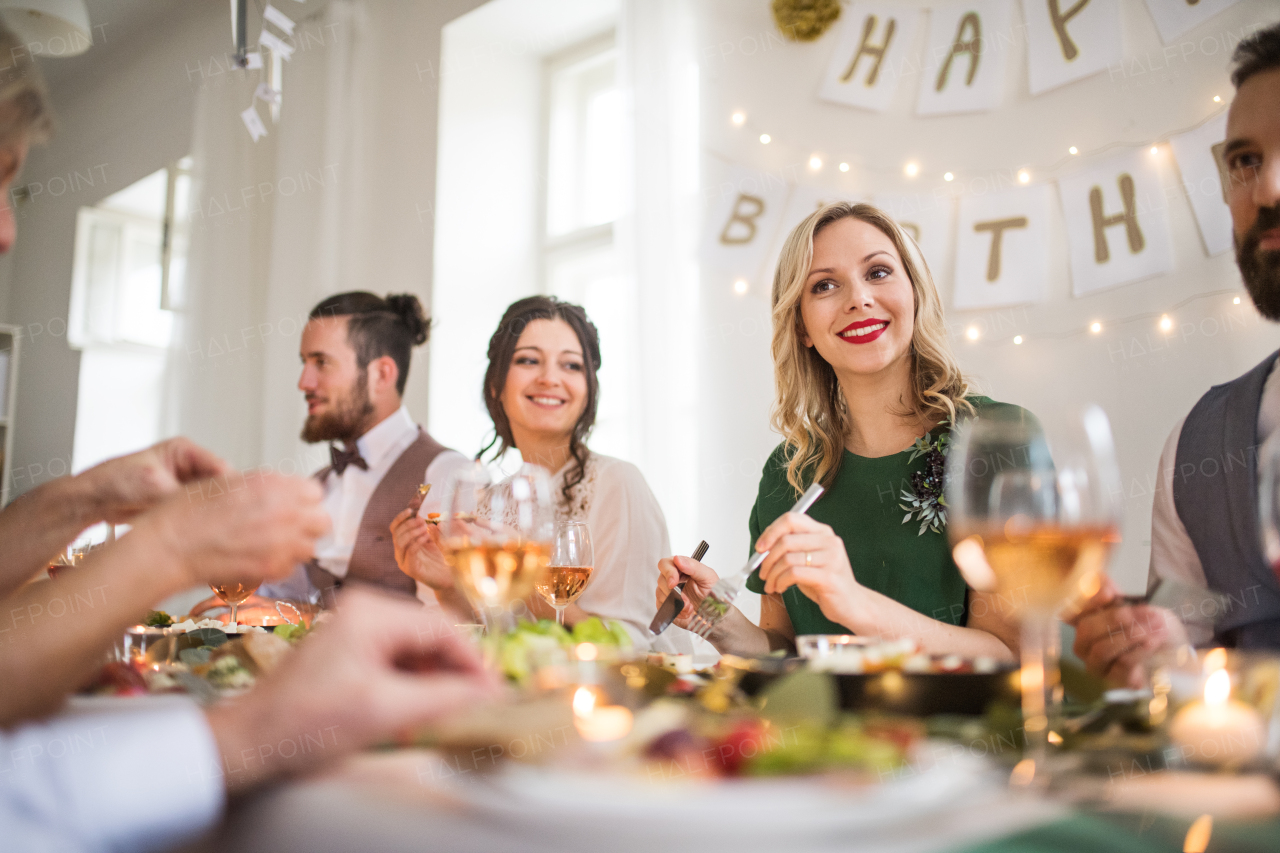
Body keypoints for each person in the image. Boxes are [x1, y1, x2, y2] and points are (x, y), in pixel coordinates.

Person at [657, 203, 1021, 659]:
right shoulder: (786, 475)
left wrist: (853, 603)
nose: (858, 299)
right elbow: (786, 653)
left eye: (879, 272)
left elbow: (1012, 655)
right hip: (825, 732)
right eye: (825, 285)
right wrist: (713, 620)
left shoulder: (999, 438)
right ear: (802, 326)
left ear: (915, 292)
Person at [1071, 24, 1280, 685]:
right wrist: (1150, 651)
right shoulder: (1196, 443)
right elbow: (1184, 646)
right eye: (1246, 159)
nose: (1268, 190)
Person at [392, 296, 696, 652]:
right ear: (496, 385)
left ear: (587, 392)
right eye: (529, 360)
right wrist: (449, 587)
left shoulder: (617, 484)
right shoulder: (490, 501)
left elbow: (633, 646)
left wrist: (527, 585)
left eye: (571, 366)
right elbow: (497, 646)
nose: (550, 378)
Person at [259, 291, 470, 607]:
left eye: (322, 362)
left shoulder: (445, 474)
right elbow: (281, 594)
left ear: (381, 374)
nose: (304, 382)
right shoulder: (318, 484)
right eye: (305, 363)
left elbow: (450, 620)